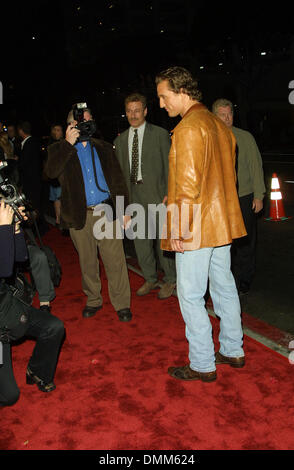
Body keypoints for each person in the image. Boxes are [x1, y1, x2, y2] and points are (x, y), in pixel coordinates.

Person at [156, 66, 247, 382]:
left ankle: (202, 363)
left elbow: (191, 183)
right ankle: (233, 348)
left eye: (163, 96)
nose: (161, 104)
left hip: (195, 226)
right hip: (219, 222)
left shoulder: (188, 127)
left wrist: (179, 227)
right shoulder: (220, 126)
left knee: (190, 294)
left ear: (181, 92)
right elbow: (222, 178)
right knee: (223, 285)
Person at [45, 105, 132, 322]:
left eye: (88, 119)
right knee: (87, 262)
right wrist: (67, 144)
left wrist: (124, 211)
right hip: (78, 215)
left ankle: (121, 303)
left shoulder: (103, 147)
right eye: (79, 121)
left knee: (115, 261)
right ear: (71, 125)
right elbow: (49, 173)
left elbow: (118, 182)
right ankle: (93, 300)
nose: (85, 124)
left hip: (107, 212)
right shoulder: (59, 149)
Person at [0, 201, 64, 406]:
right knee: (9, 396)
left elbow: (20, 256)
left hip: (7, 308)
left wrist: (15, 228)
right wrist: (3, 228)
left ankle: (36, 371)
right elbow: (4, 270)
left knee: (53, 327)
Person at [114, 93, 176, 299]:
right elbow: (120, 178)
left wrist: (170, 193)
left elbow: (171, 167)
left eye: (137, 110)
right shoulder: (121, 140)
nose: (133, 114)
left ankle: (170, 279)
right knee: (141, 241)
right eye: (129, 111)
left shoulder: (159, 134)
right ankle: (150, 278)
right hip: (134, 197)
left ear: (145, 111)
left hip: (158, 195)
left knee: (162, 240)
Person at [212, 99, 266, 294]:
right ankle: (226, 279)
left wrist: (258, 195)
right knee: (223, 244)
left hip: (243, 196)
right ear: (214, 116)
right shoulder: (210, 138)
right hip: (219, 200)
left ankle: (245, 278)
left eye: (230, 114)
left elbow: (256, 167)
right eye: (222, 114)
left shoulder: (245, 138)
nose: (227, 118)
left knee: (245, 241)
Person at [48, 124, 63, 226]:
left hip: (60, 176)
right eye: (56, 130)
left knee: (59, 198)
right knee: (57, 198)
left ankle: (59, 219)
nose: (59, 132)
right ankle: (59, 219)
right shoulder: (52, 144)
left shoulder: (63, 143)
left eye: (60, 130)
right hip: (55, 176)